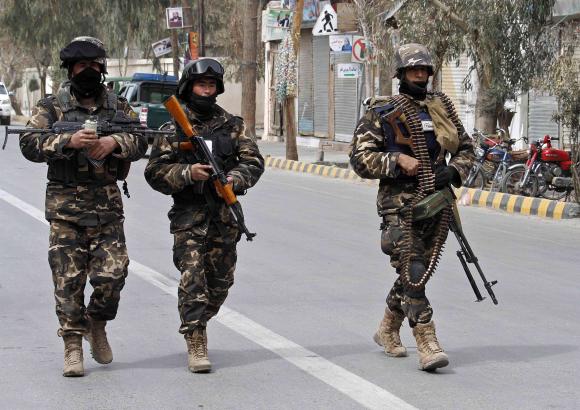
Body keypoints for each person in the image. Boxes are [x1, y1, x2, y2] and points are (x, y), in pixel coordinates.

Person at [19, 36, 147, 377]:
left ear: (102, 68)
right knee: (68, 281)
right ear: (70, 69)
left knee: (113, 274)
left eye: (93, 65)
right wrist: (68, 141)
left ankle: (97, 322)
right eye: (81, 65)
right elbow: (29, 142)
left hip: (106, 208)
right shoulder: (51, 107)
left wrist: (114, 142)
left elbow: (142, 138)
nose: (87, 71)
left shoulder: (117, 107)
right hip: (65, 211)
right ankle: (73, 345)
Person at [349, 43, 475, 371]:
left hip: (436, 204)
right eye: (413, 70)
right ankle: (427, 341)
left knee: (416, 271)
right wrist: (396, 159)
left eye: (424, 70)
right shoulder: (382, 111)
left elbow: (467, 148)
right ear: (401, 74)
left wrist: (455, 170)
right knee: (413, 269)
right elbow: (359, 159)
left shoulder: (441, 108)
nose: (420, 75)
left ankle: (388, 328)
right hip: (398, 207)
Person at [144, 58, 264, 373]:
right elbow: (154, 171)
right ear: (189, 85)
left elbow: (253, 161)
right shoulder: (173, 126)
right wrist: (188, 173)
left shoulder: (232, 125)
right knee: (192, 278)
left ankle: (200, 320)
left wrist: (234, 179)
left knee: (221, 282)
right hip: (189, 217)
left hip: (224, 216)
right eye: (201, 84)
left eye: (211, 85)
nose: (206, 90)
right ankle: (195, 337)